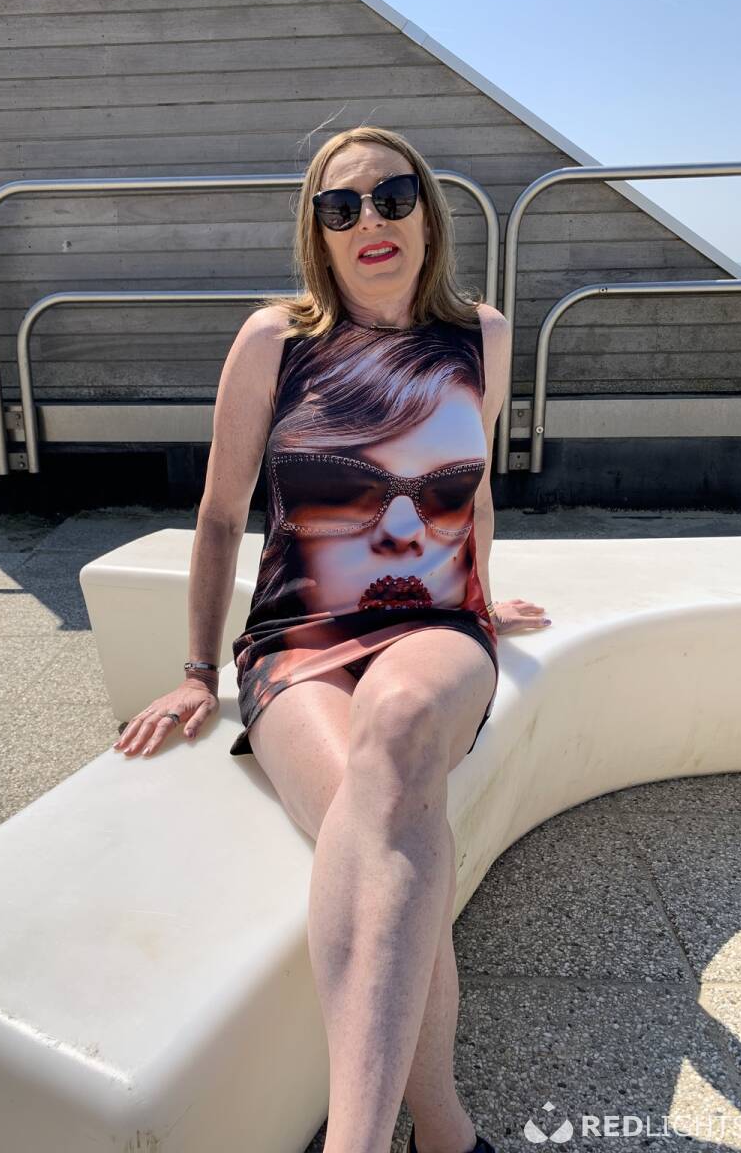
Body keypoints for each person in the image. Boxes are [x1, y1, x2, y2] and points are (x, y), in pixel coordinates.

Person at [114, 125, 552, 1153]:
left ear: (426, 211)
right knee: (388, 825)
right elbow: (220, 515)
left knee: (399, 727)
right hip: (295, 635)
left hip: (435, 623)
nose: (369, 221)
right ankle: (442, 1129)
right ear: (317, 230)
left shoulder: (481, 335)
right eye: (340, 205)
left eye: (392, 196)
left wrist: (486, 593)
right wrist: (195, 671)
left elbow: (474, 490)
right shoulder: (275, 340)